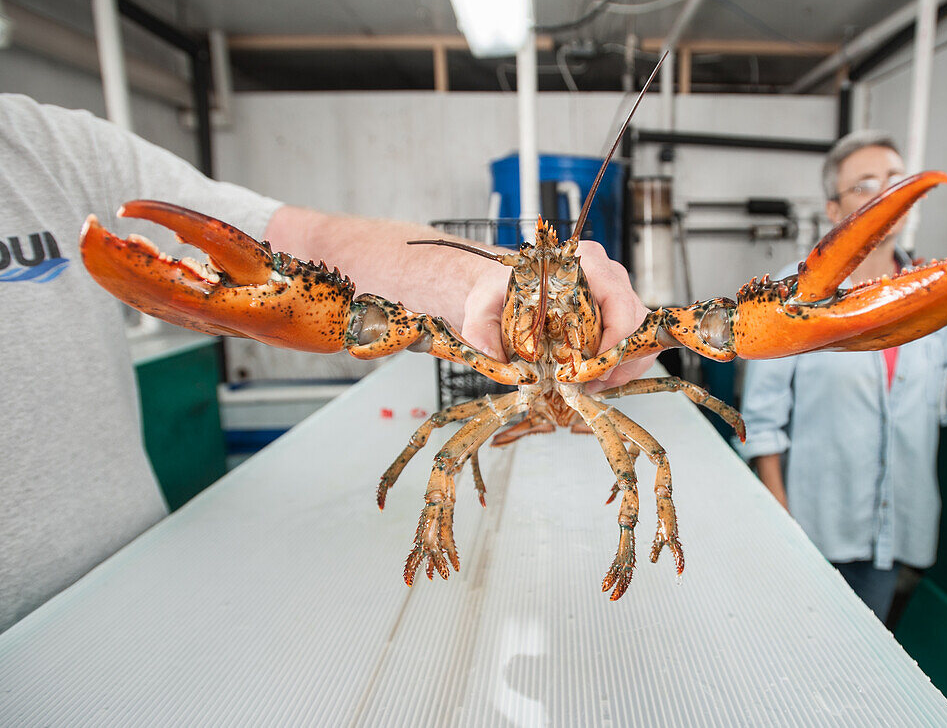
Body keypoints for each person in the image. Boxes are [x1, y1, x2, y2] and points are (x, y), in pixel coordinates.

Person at [0, 93, 651, 633]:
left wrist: (501, 277)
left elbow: (297, 241)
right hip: (129, 600)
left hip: (131, 598)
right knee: (444, 451)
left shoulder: (44, 144)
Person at [735, 130, 947, 622]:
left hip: (891, 527)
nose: (886, 194)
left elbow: (932, 397)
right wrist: (783, 525)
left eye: (895, 180)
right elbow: (761, 423)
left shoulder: (931, 287)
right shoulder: (789, 297)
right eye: (865, 185)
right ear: (832, 210)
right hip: (815, 524)